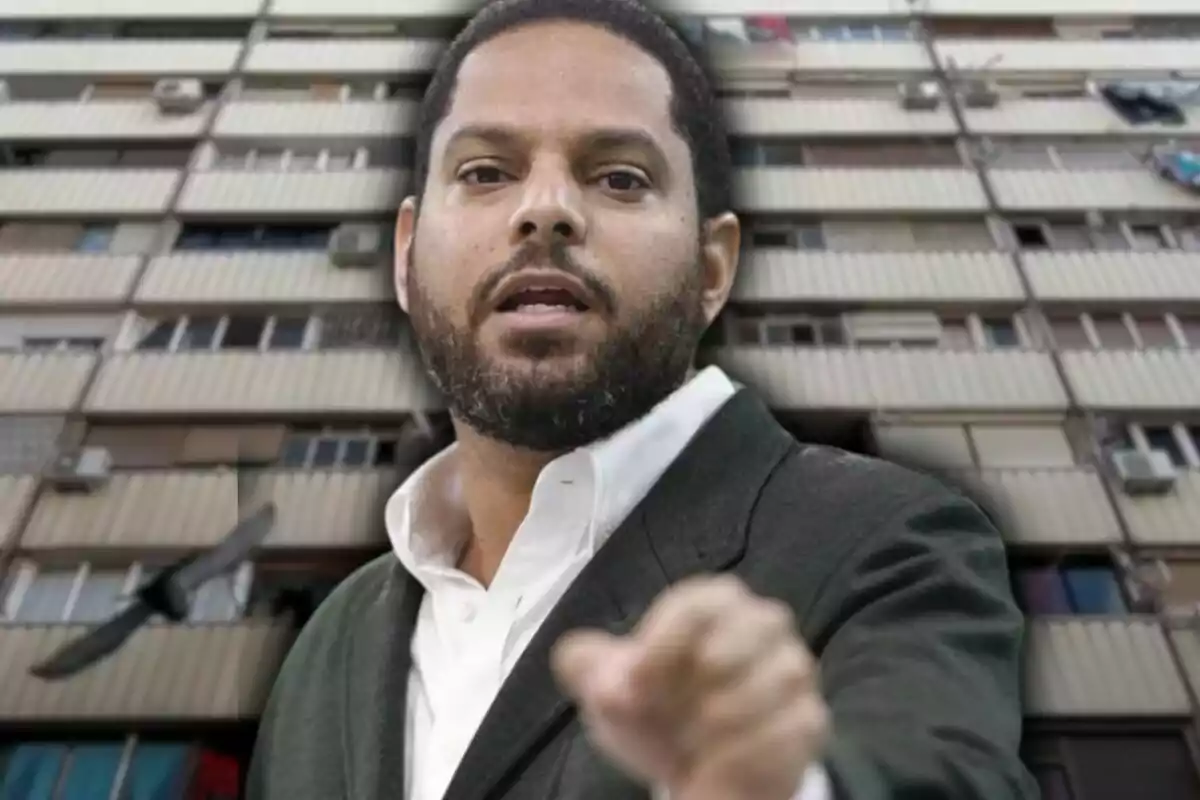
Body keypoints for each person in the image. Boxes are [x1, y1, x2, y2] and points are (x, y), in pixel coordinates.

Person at [246, 1, 1036, 799]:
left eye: (620, 178)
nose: (544, 209)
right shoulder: (330, 643)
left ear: (713, 268)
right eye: (485, 172)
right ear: (407, 254)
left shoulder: (888, 541)